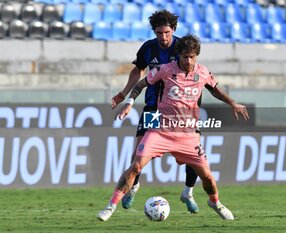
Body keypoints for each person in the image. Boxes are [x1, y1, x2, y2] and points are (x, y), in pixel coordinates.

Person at [96, 35, 249, 221]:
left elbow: (215, 89)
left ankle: (213, 201)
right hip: (160, 128)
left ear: (196, 56)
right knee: (136, 164)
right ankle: (112, 205)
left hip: (187, 133)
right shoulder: (165, 68)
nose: (188, 61)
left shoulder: (202, 72)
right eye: (185, 56)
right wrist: (128, 102)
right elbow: (141, 82)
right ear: (179, 56)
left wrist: (233, 103)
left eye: (192, 57)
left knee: (207, 176)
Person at [110, 10, 225, 214]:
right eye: (158, 33)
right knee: (139, 153)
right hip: (154, 107)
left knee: (193, 156)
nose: (163, 37)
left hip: (185, 113)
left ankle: (188, 192)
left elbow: (200, 75)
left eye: (166, 32)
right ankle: (134, 186)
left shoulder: (183, 48)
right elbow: (139, 71)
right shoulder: (148, 48)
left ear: (173, 30)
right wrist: (123, 94)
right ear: (154, 32)